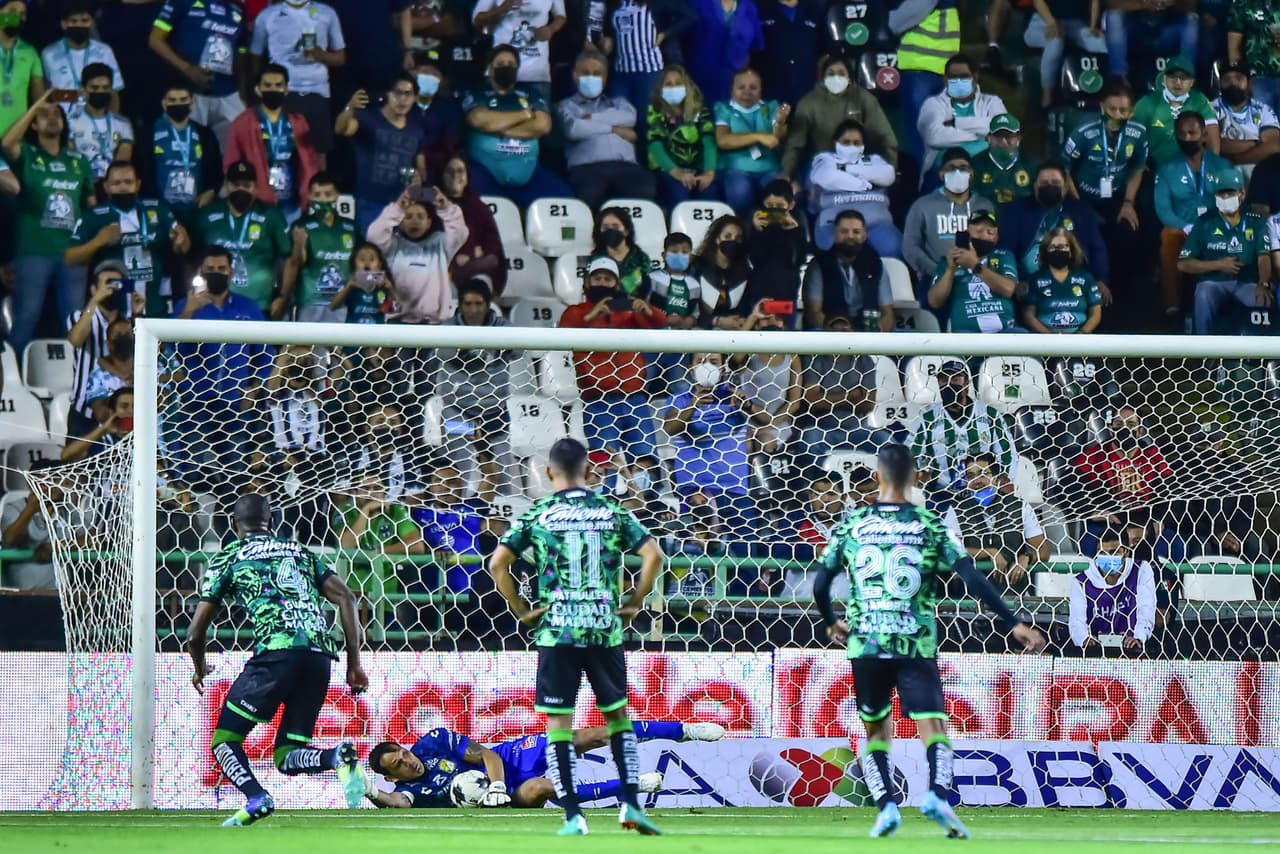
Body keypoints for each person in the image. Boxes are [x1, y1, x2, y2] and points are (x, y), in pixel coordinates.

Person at [812, 443, 1045, 840]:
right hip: (914, 640)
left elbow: (821, 583)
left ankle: (886, 806)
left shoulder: (852, 524)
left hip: (866, 640)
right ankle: (937, 795)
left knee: (876, 731)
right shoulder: (932, 525)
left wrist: (833, 621)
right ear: (917, 478)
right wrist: (1013, 622)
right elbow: (973, 579)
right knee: (933, 725)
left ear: (875, 478)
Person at [488, 437, 665, 836]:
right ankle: (633, 807)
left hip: (557, 632)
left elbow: (498, 564)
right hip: (603, 629)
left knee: (559, 727)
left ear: (549, 473)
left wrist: (522, 611)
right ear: (589, 472)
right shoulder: (611, 510)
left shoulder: (539, 513)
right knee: (618, 719)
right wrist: (635, 601)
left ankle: (573, 817)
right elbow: (654, 555)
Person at [186, 493, 368, 826]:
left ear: (232, 523)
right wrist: (354, 663)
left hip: (276, 653)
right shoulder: (300, 551)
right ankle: (335, 757)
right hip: (318, 657)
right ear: (273, 522)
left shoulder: (230, 555)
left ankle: (257, 797)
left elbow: (196, 633)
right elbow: (346, 596)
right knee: (286, 755)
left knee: (225, 739)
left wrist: (199, 668)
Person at [366, 720, 722, 808]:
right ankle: (634, 785)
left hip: (503, 768)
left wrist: (495, 786)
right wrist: (372, 793)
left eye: (404, 753)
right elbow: (395, 801)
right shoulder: (408, 790)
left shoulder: (433, 741)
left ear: (405, 745)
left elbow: (488, 755)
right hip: (502, 801)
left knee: (584, 736)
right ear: (389, 775)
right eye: (398, 765)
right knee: (545, 789)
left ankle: (682, 730)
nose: (408, 762)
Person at [3, 93, 95, 358]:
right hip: (33, 250)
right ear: (33, 123)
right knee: (27, 316)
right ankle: (12, 380)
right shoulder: (29, 155)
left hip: (72, 255)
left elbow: (90, 207)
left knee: (74, 320)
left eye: (56, 113)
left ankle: (75, 380)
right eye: (45, 115)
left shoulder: (79, 162)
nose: (52, 117)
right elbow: (7, 142)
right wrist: (37, 104)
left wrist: (87, 247)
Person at [559, 257, 665, 465]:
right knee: (604, 465)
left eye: (608, 279)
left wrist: (646, 310)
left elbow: (660, 322)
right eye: (597, 278)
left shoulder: (628, 312)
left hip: (635, 399)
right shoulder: (576, 312)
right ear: (587, 282)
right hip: (598, 401)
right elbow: (564, 332)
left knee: (646, 461)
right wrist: (592, 315)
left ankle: (645, 498)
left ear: (616, 284)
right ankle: (607, 498)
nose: (602, 283)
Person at [663, 352, 768, 555]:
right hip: (695, 492)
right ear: (689, 368)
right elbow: (670, 428)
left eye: (713, 362)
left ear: (723, 368)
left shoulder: (735, 398)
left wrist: (746, 405)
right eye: (700, 361)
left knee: (745, 558)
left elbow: (765, 419)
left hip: (735, 489)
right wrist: (693, 404)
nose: (707, 367)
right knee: (695, 556)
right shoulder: (679, 399)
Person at [65, 159, 191, 317]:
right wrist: (98, 241)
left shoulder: (156, 208)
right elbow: (70, 257)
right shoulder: (94, 216)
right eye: (116, 183)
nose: (123, 187)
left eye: (128, 182)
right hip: (112, 309)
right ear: (106, 186)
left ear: (138, 184)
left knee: (158, 341)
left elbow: (183, 248)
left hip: (155, 304)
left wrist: (181, 241)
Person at [435, 279, 518, 503]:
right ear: (459, 306)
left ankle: (502, 519)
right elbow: (443, 354)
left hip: (494, 412)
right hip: (459, 412)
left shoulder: (502, 326)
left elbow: (520, 351)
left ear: (488, 305)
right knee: (460, 468)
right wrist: (472, 340)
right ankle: (459, 517)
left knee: (503, 472)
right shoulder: (449, 329)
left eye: (478, 304)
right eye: (468, 304)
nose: (473, 310)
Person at [461, 45, 571, 207]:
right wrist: (524, 115)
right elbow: (478, 119)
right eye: (500, 64)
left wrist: (498, 128)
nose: (506, 67)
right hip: (485, 174)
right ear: (490, 68)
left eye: (511, 64)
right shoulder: (478, 92)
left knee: (566, 200)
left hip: (529, 175)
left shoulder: (530, 93)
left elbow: (542, 125)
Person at [1154, 112, 1235, 315]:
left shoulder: (1221, 166)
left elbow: (1232, 202)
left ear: (1205, 135)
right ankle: (1171, 302)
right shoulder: (1167, 168)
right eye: (1182, 133)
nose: (1187, 138)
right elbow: (1163, 208)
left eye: (1192, 133)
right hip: (1182, 228)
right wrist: (1186, 226)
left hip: (1214, 225)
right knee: (1169, 236)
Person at [555, 47, 655, 212]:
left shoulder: (619, 103)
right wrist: (614, 129)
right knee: (589, 194)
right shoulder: (565, 106)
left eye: (597, 73)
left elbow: (630, 118)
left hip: (626, 166)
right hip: (587, 169)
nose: (592, 77)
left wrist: (592, 120)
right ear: (575, 75)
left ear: (605, 78)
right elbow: (574, 129)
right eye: (585, 72)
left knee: (644, 189)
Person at [909, 360, 1018, 509]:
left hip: (982, 491)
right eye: (943, 379)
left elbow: (1007, 452)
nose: (949, 384)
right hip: (940, 495)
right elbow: (909, 455)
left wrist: (1003, 478)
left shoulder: (989, 414)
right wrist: (920, 473)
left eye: (955, 379)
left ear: (966, 382)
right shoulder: (927, 419)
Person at [248, 0, 346, 158]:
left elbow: (340, 58)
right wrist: (258, 91)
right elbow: (255, 54)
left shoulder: (327, 13)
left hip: (317, 92)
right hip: (282, 93)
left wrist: (321, 55)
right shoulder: (267, 15)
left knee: (318, 154)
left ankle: (321, 183)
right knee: (279, 151)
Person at [998, 162, 1110, 300]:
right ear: (1035, 186)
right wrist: (1017, 279)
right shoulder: (1016, 210)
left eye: (1055, 182)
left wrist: (1100, 279)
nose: (1050, 186)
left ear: (1065, 187)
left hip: (1077, 283)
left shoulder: (1081, 210)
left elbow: (1097, 248)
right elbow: (1006, 250)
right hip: (1030, 283)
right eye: (1044, 183)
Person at [1178, 169, 1272, 335]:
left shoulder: (1256, 220)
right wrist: (1219, 264)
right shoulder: (1205, 221)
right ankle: (1206, 354)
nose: (1225, 198)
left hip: (1246, 282)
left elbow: (1263, 256)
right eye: (1221, 194)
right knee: (1203, 294)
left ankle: (1258, 359)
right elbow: (1183, 263)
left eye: (1230, 193)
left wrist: (1263, 283)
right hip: (1213, 282)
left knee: (1262, 299)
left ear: (1242, 193)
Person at [189, 161, 291, 313]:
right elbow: (193, 255)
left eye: (246, 185)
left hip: (259, 306)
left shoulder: (271, 216)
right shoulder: (208, 214)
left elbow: (289, 257)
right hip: (212, 305)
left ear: (256, 187)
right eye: (236, 185)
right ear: (226, 185)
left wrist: (282, 297)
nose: (241, 189)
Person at [780, 55, 897, 182]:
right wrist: (787, 174)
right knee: (816, 188)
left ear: (849, 78)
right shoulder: (808, 103)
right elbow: (795, 144)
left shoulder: (864, 99)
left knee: (874, 185)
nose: (836, 77)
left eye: (841, 73)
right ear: (823, 78)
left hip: (860, 159)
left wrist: (891, 168)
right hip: (823, 159)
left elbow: (886, 137)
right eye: (831, 74)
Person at [224, 64, 320, 219]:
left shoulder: (298, 122)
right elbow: (231, 164)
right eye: (267, 85)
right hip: (258, 206)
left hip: (293, 205)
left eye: (278, 85)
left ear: (286, 89)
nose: (273, 89)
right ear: (258, 89)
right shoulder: (242, 123)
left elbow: (309, 163)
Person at [944, 452, 1049, 592]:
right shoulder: (957, 509)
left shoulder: (1019, 506)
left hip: (1015, 597)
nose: (977, 480)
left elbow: (1044, 551)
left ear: (996, 478)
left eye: (983, 474)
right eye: (970, 476)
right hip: (971, 600)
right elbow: (950, 549)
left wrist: (1026, 557)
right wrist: (989, 552)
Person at [149, 0, 247, 147]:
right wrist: (188, 69)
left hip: (228, 94)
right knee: (182, 151)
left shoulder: (237, 8)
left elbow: (241, 53)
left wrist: (242, 91)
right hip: (187, 93)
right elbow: (155, 40)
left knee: (236, 155)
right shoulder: (182, 2)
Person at [335, 75, 425, 235]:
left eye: (408, 94)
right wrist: (350, 108)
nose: (402, 99)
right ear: (388, 94)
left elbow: (421, 170)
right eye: (398, 93)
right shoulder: (368, 119)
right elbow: (341, 129)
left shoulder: (416, 130)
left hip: (402, 206)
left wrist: (417, 181)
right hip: (369, 202)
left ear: (415, 98)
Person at [368, 183, 468, 323]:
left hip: (433, 324)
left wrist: (446, 208)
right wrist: (397, 209)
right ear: (401, 222)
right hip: (396, 321)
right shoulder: (392, 245)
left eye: (420, 217)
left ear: (429, 222)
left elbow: (460, 233)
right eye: (408, 217)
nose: (414, 221)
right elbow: (373, 236)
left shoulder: (440, 243)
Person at [65, 260, 143, 439]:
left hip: (121, 410)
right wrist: (94, 301)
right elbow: (76, 339)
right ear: (93, 288)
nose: (113, 289)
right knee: (78, 464)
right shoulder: (80, 316)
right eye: (108, 283)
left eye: (118, 284)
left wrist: (137, 315)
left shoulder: (127, 323)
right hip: (83, 407)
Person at [902, 148, 995, 289]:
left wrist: (980, 269)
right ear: (941, 174)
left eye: (963, 168)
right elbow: (910, 246)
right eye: (951, 168)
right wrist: (936, 271)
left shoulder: (985, 205)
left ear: (971, 174)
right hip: (935, 278)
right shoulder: (923, 205)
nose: (957, 172)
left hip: (978, 277)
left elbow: (994, 241)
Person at [793, 317, 877, 466]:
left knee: (885, 440)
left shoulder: (864, 360)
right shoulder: (816, 358)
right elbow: (814, 401)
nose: (841, 334)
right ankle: (819, 483)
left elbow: (868, 404)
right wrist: (851, 396)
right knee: (809, 439)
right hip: (821, 429)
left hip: (856, 430)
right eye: (835, 329)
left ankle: (875, 484)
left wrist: (829, 400)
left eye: (845, 329)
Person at [808, 120, 897, 255]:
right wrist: (865, 182)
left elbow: (887, 175)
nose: (851, 147)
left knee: (893, 249)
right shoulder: (826, 160)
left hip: (878, 221)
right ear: (836, 143)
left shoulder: (873, 160)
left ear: (863, 145)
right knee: (831, 255)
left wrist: (846, 169)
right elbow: (828, 178)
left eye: (856, 143)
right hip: (834, 222)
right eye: (846, 142)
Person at [277, 172, 355, 321]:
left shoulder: (350, 227)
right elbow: (297, 263)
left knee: (337, 344)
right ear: (310, 197)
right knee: (307, 344)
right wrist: (299, 245)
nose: (323, 200)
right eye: (318, 195)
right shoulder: (301, 226)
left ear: (337, 195)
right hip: (310, 302)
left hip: (341, 304)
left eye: (328, 194)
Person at [926, 210, 1019, 333]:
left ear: (996, 238)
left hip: (1004, 332)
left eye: (990, 232)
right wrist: (950, 270)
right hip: (966, 334)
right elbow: (934, 302)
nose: (984, 236)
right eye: (979, 231)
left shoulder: (1004, 256)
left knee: (1023, 336)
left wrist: (974, 265)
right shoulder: (949, 260)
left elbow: (1009, 290)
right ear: (967, 233)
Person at [1068, 528, 1156, 656]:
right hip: (1095, 652)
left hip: (1131, 650)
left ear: (1125, 552)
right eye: (1102, 553)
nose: (1107, 558)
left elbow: (1146, 608)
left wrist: (1139, 637)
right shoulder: (1082, 582)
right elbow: (1077, 621)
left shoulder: (1141, 569)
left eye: (1113, 552)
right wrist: (1085, 639)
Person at [802, 209, 894, 331]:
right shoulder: (819, 265)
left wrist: (877, 332)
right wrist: (837, 330)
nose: (850, 236)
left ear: (864, 235)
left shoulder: (876, 265)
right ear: (834, 234)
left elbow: (887, 313)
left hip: (867, 332)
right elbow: (813, 312)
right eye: (844, 231)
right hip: (830, 331)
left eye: (856, 232)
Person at [917, 53, 1007, 177]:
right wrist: (982, 136)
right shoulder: (933, 104)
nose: (958, 81)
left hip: (985, 172)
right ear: (945, 79)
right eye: (953, 77)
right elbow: (935, 138)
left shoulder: (992, 102)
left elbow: (1001, 131)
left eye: (964, 77)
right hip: (943, 172)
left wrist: (956, 123)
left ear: (975, 78)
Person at [892, 0, 960, 162]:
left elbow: (895, 23)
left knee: (922, 142)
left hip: (920, 70)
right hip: (941, 72)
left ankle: (925, 185)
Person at [713, 67, 789, 215]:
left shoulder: (771, 106)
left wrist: (780, 123)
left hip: (769, 170)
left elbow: (777, 137)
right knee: (740, 194)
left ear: (761, 90)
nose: (747, 92)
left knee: (779, 195)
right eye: (741, 87)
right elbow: (722, 140)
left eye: (753, 87)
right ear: (732, 89)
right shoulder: (723, 109)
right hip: (736, 169)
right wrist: (759, 136)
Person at [145, 83, 222, 223]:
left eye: (183, 100)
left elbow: (216, 167)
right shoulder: (149, 131)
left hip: (196, 209)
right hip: (160, 209)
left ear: (191, 102)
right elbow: (141, 168)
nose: (178, 104)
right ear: (164, 103)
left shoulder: (204, 133)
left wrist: (211, 191)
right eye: (172, 100)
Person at [1132, 54, 1220, 169]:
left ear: (1192, 82)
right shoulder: (1146, 103)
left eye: (1183, 77)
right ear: (1164, 78)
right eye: (1172, 76)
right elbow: (1133, 140)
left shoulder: (1200, 100)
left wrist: (1209, 169)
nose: (1178, 82)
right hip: (1156, 170)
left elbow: (1212, 138)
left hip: (1194, 169)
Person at [647, 65, 718, 206]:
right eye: (668, 84)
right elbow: (655, 145)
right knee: (680, 194)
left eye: (678, 83)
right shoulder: (655, 110)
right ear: (660, 89)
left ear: (687, 87)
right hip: (668, 169)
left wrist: (709, 172)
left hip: (697, 168)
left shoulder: (700, 110)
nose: (673, 88)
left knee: (710, 193)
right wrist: (678, 173)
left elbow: (709, 141)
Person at [471, 0, 565, 102]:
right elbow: (477, 19)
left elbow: (561, 16)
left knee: (539, 116)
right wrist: (501, 9)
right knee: (495, 115)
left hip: (536, 74)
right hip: (499, 72)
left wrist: (551, 29)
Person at [440, 156, 507, 294]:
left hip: (473, 267)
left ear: (467, 176)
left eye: (460, 171)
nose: (455, 176)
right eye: (449, 171)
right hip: (442, 269)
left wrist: (470, 256)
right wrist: (456, 259)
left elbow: (493, 247)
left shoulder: (479, 207)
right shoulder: (433, 205)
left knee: (481, 282)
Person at [1022, 0, 1105, 109]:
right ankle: (1047, 98)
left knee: (1101, 44)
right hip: (1042, 23)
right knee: (1056, 41)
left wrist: (1093, 26)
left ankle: (1112, 95)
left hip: (1076, 24)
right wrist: (1052, 23)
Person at [41, 0, 122, 109]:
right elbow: (45, 95)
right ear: (63, 24)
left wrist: (111, 122)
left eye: (84, 21)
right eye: (73, 21)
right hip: (62, 122)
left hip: (96, 122)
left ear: (93, 23)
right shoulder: (49, 54)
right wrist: (76, 95)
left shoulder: (104, 52)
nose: (79, 25)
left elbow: (114, 92)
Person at [1022, 227, 1103, 334]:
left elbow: (1096, 312)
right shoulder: (1035, 280)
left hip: (1081, 341)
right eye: (1052, 247)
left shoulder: (1086, 278)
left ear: (1071, 251)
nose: (1057, 250)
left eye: (1062, 247)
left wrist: (1082, 334)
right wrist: (1049, 336)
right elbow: (1029, 315)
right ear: (1045, 251)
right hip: (1045, 341)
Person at [684, 0, 762, 103]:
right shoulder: (697, 3)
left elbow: (754, 46)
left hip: (735, 89)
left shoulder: (749, 7)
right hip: (699, 85)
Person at [66, 62, 133, 180]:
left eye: (105, 88)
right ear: (83, 89)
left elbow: (122, 162)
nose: (100, 92)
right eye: (94, 88)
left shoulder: (123, 124)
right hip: (81, 181)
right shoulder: (70, 121)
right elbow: (71, 158)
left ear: (111, 90)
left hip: (112, 184)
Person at [1214, 61, 1280, 181]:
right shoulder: (1210, 108)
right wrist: (1255, 143)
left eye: (1239, 78)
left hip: (1260, 177)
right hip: (1223, 176)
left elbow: (1274, 146)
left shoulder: (1263, 110)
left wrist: (1235, 160)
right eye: (1226, 79)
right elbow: (1215, 144)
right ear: (1220, 83)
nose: (1232, 83)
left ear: (1249, 83)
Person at [753, 0, 822, 109]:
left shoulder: (815, 9)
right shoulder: (759, 8)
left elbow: (823, 53)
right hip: (769, 96)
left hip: (807, 96)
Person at [970, 113, 1035, 211]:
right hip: (986, 219)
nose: (1004, 142)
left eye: (1009, 136)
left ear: (1018, 139)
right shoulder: (975, 164)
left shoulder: (1032, 164)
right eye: (998, 136)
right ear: (989, 138)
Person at [0, 0, 45, 137]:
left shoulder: (30, 52)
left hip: (16, 139)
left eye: (22, 13)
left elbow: (39, 98)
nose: (18, 17)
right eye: (12, 11)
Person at [1229, 2, 1280, 113]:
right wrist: (1240, 79)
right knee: (1264, 124)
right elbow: (1233, 46)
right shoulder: (1242, 4)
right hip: (1256, 77)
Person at [329, 240, 396, 324]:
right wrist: (347, 288)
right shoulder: (351, 288)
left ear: (379, 265)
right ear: (354, 264)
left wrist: (390, 290)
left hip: (377, 335)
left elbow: (393, 310)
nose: (367, 263)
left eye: (372, 259)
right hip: (353, 334)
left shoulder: (382, 289)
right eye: (362, 259)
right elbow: (333, 307)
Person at [590, 206, 652, 297]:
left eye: (616, 227)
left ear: (626, 231)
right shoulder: (595, 259)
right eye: (606, 228)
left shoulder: (641, 258)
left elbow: (646, 290)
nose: (611, 231)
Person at [62, 385, 133, 462]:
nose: (130, 411)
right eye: (124, 406)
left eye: (135, 407)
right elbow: (66, 456)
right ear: (112, 412)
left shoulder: (145, 439)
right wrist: (103, 429)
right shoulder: (101, 438)